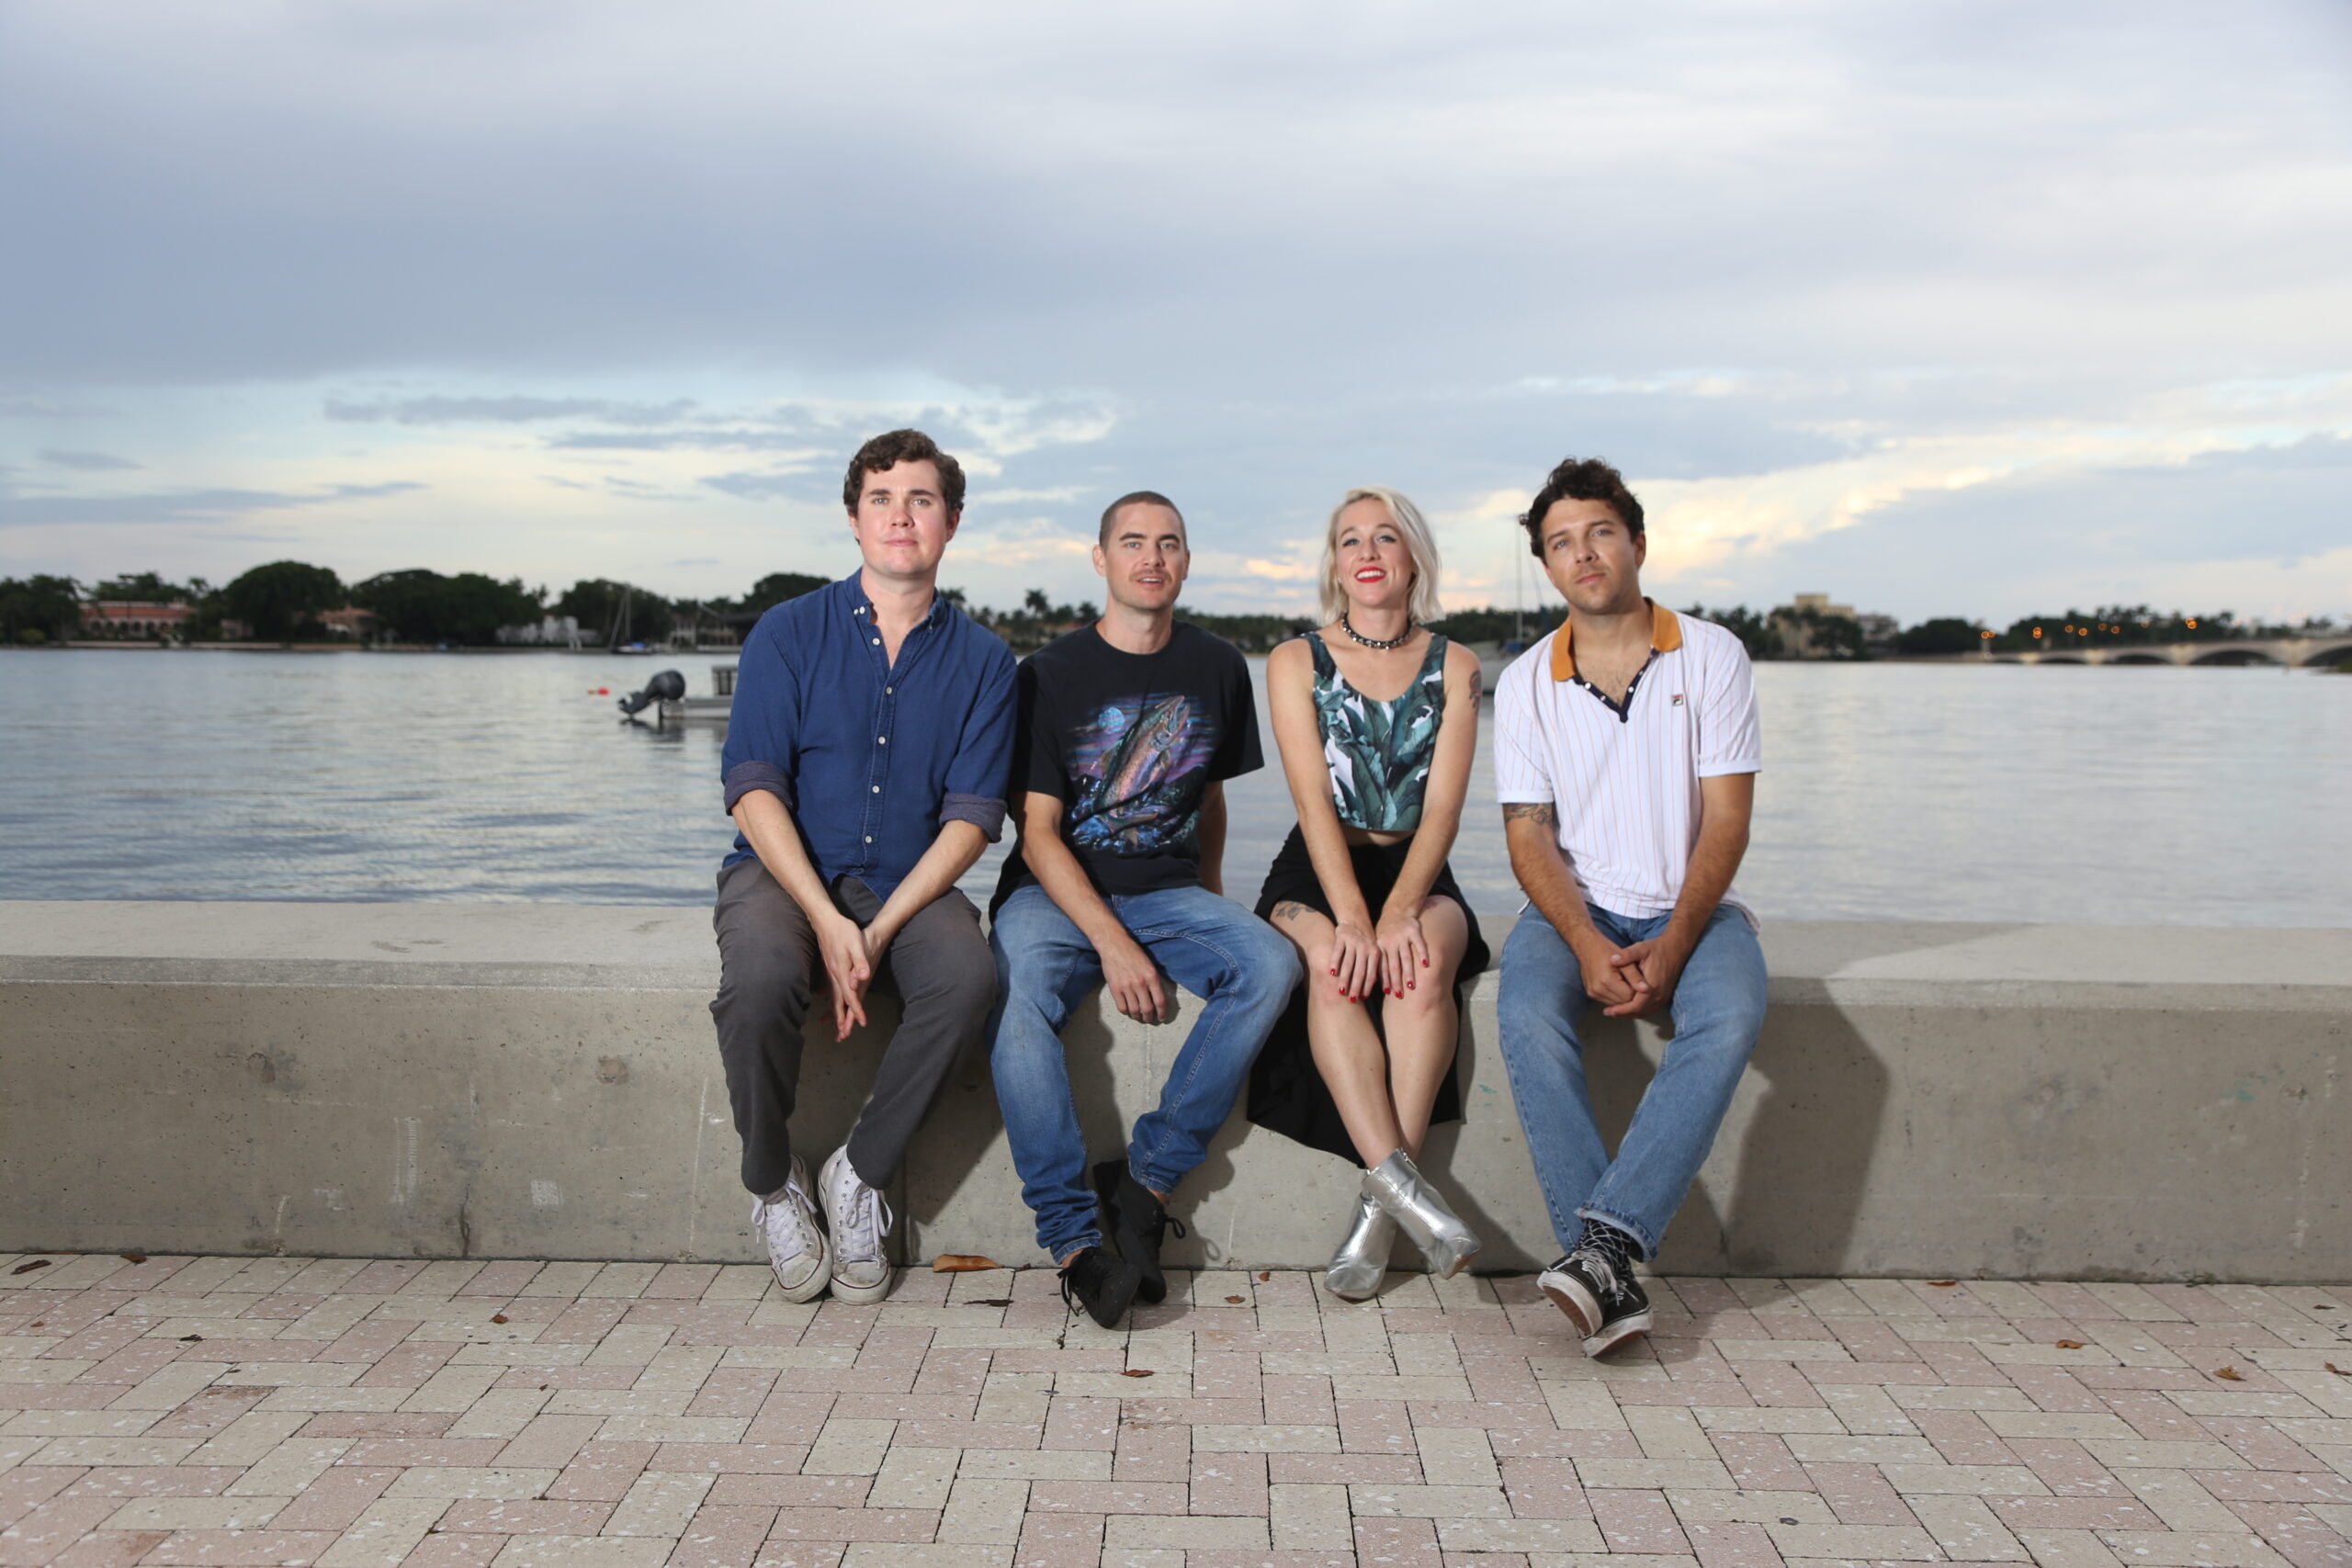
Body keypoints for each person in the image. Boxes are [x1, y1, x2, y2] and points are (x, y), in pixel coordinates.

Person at [711, 428, 1015, 1304]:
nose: (901, 517)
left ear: (950, 522)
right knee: (764, 976)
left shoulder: (988, 661)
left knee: (965, 976)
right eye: (882, 498)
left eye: (921, 500)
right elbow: (753, 789)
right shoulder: (787, 633)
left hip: (911, 886)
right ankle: (773, 1183)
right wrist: (826, 919)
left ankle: (860, 1172)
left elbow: (971, 822)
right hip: (783, 873)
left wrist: (876, 929)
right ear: (853, 518)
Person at [987, 491, 1302, 1326]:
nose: (1151, 558)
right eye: (1133, 542)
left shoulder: (1217, 667)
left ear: (1187, 561)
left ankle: (1144, 1183)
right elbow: (1041, 832)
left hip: (1167, 891)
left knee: (1270, 961)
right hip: (1054, 895)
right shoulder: (1048, 677)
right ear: (1101, 559)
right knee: (1017, 1010)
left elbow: (1210, 800)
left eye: (1168, 543)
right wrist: (1113, 943)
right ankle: (1074, 1242)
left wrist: (1210, 900)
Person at [1493, 456, 1766, 1357]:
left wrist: (1677, 942)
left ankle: (1601, 1247)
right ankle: (1604, 1266)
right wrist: (1579, 938)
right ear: (1547, 566)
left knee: (1729, 1017)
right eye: (1561, 543)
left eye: (1599, 532)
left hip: (1692, 906)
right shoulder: (1529, 679)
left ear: (1636, 543)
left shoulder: (1712, 655)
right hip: (1575, 907)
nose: (1583, 554)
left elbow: (1727, 819)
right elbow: (1528, 835)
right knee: (1526, 1013)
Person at [1249, 485, 1491, 1299]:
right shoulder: (1293, 661)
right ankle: (1412, 1200)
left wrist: (1396, 910)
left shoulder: (1456, 666)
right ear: (1335, 564)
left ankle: (1383, 1210)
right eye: (1350, 540)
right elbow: (1313, 802)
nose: (1368, 552)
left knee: (1418, 969)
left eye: (1385, 537)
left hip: (1420, 866)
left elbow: (1447, 808)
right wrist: (1351, 916)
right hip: (1319, 864)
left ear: (1412, 555)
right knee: (1333, 967)